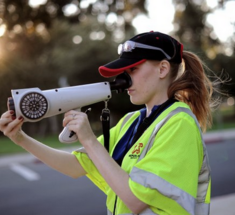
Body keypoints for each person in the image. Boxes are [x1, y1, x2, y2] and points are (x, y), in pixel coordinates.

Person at [0, 31, 214, 215]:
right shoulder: (132, 121)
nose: (126, 78)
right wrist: (20, 138)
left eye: (133, 70)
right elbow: (75, 167)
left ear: (162, 69)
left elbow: (136, 200)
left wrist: (89, 140)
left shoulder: (179, 123)